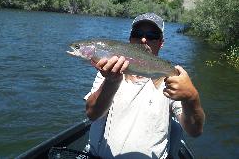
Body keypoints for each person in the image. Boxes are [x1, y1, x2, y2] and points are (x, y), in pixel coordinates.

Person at [84, 12, 205, 159]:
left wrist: (192, 97)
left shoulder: (173, 80)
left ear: (161, 42)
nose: (143, 39)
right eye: (137, 33)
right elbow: (92, 114)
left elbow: (194, 131)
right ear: (130, 39)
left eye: (152, 35)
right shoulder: (108, 71)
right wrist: (111, 82)